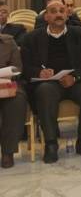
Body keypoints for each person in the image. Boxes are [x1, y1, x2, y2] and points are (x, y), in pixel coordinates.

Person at [21, 0, 81, 163]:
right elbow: (25, 66)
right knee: (44, 92)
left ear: (67, 14)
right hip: (49, 83)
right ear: (46, 17)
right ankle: (51, 144)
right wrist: (39, 72)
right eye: (53, 11)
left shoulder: (80, 33)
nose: (58, 14)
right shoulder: (32, 38)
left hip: (75, 80)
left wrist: (75, 76)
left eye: (61, 11)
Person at [0, 34, 27, 168]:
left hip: (5, 83)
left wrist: (8, 76)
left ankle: (8, 151)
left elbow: (17, 68)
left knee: (17, 99)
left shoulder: (8, 41)